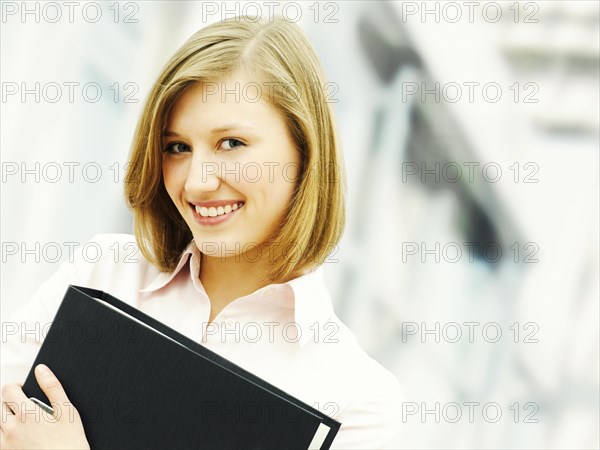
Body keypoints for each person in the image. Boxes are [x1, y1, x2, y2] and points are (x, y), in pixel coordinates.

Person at [1, 16, 402, 449]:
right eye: (178, 147)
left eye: (231, 143)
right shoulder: (105, 272)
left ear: (304, 150)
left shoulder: (358, 403)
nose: (196, 182)